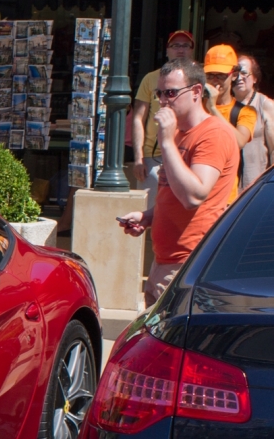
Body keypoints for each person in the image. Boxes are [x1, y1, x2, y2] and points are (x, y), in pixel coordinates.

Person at [117, 59, 239, 306]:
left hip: (191, 263)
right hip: (164, 260)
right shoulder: (178, 134)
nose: (163, 100)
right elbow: (172, 192)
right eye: (159, 93)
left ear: (196, 92)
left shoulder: (213, 134)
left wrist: (166, 142)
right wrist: (148, 216)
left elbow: (194, 196)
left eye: (171, 93)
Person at [131, 30, 195, 212]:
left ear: (191, 50)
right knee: (149, 212)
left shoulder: (198, 80)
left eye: (185, 45)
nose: (180, 50)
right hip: (153, 158)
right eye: (175, 45)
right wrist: (138, 158)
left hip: (185, 154)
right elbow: (138, 118)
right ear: (167, 50)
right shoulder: (150, 79)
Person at [233, 54, 274, 192]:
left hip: (256, 187)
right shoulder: (224, 104)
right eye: (235, 73)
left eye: (244, 73)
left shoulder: (265, 105)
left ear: (255, 78)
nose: (239, 77)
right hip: (229, 189)